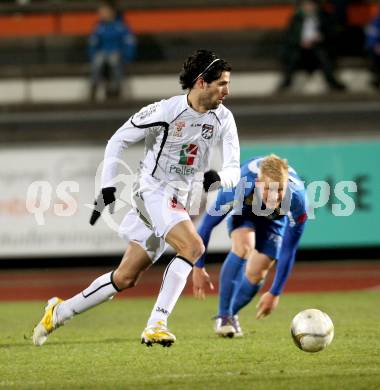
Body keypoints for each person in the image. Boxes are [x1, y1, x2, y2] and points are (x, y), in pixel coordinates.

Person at [32, 49, 240, 347]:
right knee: (193, 247)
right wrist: (107, 187)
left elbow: (234, 165)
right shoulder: (167, 111)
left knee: (126, 277)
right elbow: (118, 139)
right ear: (201, 82)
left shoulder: (224, 119)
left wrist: (221, 178)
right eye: (221, 83)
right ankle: (157, 324)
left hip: (177, 201)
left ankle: (59, 310)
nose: (227, 91)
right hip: (153, 192)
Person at [192, 155, 308, 337]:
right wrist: (198, 266)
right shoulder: (239, 185)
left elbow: (289, 248)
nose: (274, 195)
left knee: (258, 271)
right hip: (245, 212)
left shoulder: (298, 199)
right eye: (269, 188)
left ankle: (231, 314)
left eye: (280, 189)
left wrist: (274, 293)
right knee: (245, 247)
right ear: (259, 182)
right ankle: (223, 317)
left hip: (274, 221)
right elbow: (207, 225)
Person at [278, 0, 346, 92]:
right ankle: (286, 83)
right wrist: (300, 42)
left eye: (311, 5)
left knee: (324, 57)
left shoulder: (323, 17)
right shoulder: (296, 18)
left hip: (319, 46)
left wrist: (322, 37)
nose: (309, 7)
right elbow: (290, 36)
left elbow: (333, 32)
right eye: (306, 5)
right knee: (293, 57)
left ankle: (332, 82)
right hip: (300, 47)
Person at [89, 0, 136, 100]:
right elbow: (93, 43)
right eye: (101, 12)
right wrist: (93, 54)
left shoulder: (121, 26)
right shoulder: (99, 27)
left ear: (112, 12)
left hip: (117, 54)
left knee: (114, 59)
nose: (102, 14)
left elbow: (129, 42)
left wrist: (127, 57)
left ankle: (115, 87)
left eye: (104, 11)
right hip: (103, 54)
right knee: (98, 60)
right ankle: (94, 85)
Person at [365, 6, 380, 89]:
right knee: (374, 54)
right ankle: (376, 79)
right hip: (375, 48)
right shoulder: (376, 20)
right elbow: (371, 37)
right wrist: (376, 45)